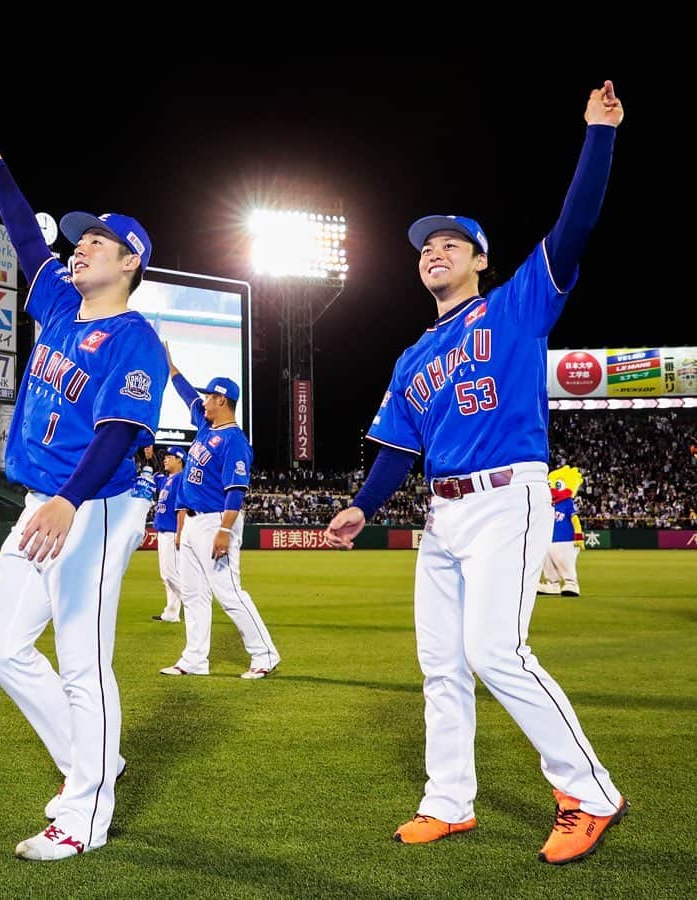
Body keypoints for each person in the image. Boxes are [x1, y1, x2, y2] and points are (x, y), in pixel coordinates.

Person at [324, 81, 626, 865]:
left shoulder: (518, 303)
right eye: (427, 244)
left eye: (451, 242)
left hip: (507, 497)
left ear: (481, 259)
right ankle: (448, 800)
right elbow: (398, 445)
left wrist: (597, 136)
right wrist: (363, 505)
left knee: (497, 651)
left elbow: (577, 225)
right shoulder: (412, 354)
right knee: (440, 665)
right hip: (441, 515)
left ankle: (589, 790)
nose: (434, 251)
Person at [0, 97, 168, 862]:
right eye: (80, 240)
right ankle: (95, 758)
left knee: (83, 657)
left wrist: (69, 503)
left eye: (99, 242)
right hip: (41, 503)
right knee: (0, 648)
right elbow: (22, 234)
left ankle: (84, 816)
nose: (80, 248)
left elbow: (117, 434)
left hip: (97, 507)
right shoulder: (58, 305)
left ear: (130, 261)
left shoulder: (134, 337)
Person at [160, 347, 281, 678]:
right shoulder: (206, 426)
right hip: (194, 523)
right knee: (194, 595)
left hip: (216, 521)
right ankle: (194, 659)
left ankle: (265, 654)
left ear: (222, 401)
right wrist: (173, 370)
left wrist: (225, 532)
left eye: (209, 397)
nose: (204, 402)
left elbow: (235, 491)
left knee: (228, 593)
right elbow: (187, 397)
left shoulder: (235, 442)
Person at [150, 446, 188, 622]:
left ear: (179, 459)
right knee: (168, 577)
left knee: (170, 574)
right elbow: (154, 477)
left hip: (173, 532)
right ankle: (171, 613)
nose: (165, 459)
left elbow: (182, 510)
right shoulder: (168, 480)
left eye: (169, 457)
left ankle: (194, 601)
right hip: (165, 532)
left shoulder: (181, 479)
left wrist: (180, 534)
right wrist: (150, 459)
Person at [538, 465, 585, 597]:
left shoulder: (567, 503)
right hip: (548, 539)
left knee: (565, 562)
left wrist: (578, 536)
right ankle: (552, 584)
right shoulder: (547, 504)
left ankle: (571, 583)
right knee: (547, 561)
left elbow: (574, 518)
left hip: (565, 540)